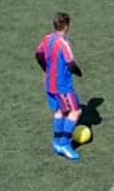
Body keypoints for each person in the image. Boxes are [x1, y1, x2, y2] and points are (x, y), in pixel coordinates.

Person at [36, 13, 85, 161]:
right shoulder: (63, 43)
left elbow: (38, 54)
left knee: (59, 111)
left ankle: (57, 142)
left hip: (49, 83)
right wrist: (79, 73)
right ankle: (64, 144)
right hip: (62, 86)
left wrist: (45, 68)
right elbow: (71, 64)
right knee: (76, 111)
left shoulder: (47, 39)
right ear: (66, 26)